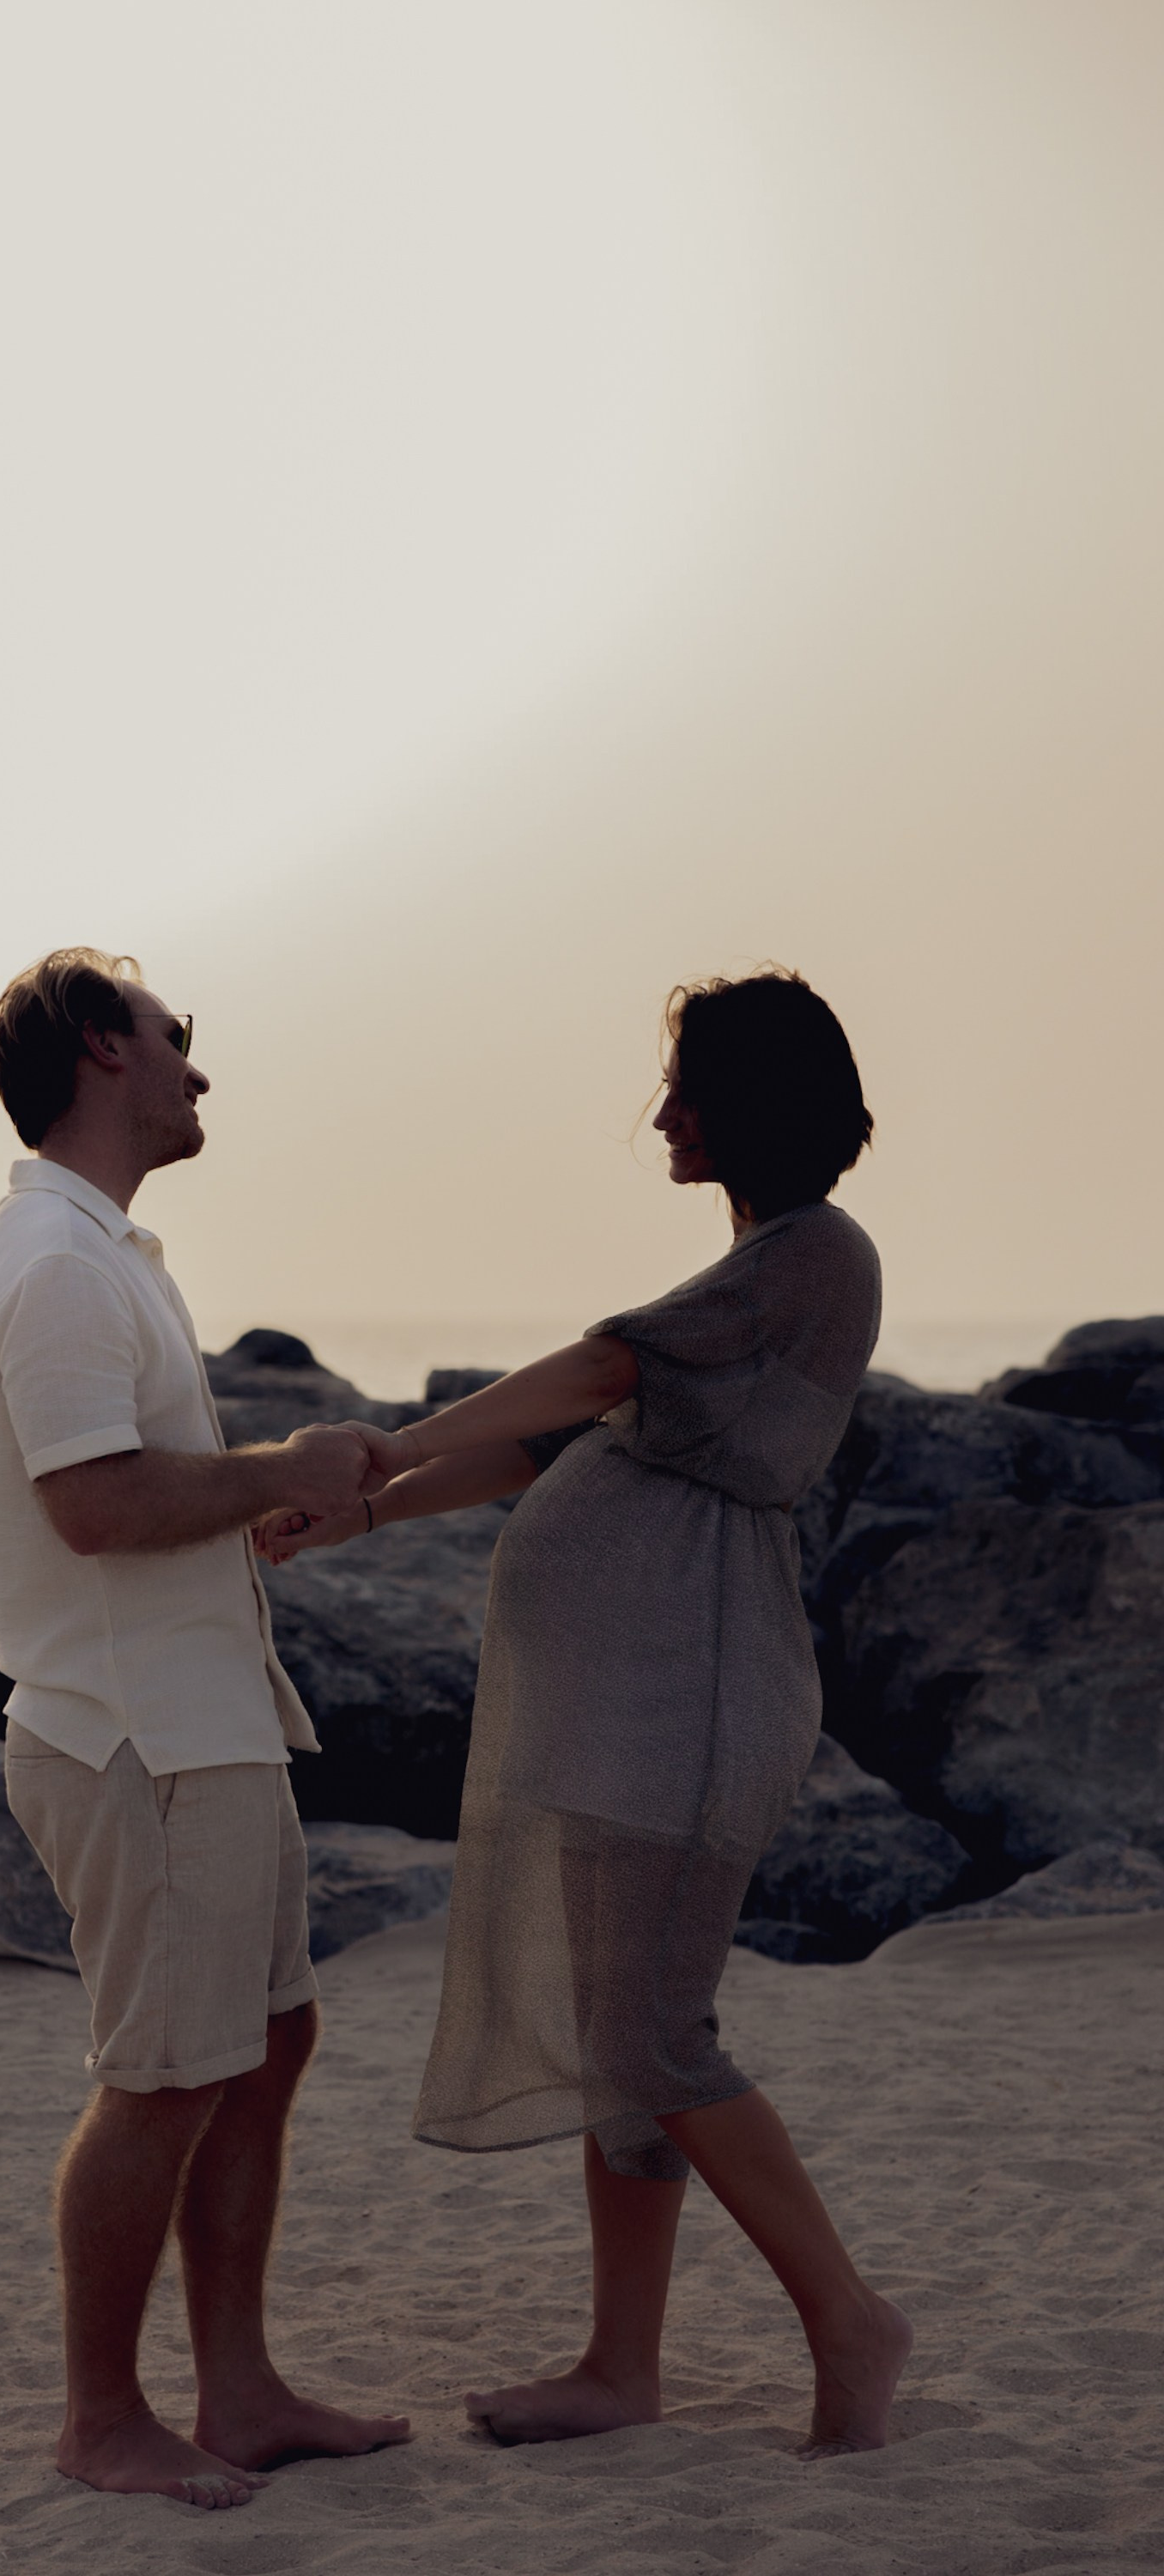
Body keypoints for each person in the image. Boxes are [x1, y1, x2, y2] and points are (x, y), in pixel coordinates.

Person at [259, 969, 912, 2459]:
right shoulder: (748, 1273)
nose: (663, 1115)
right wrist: (366, 1513)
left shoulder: (815, 1255)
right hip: (630, 1703)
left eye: (687, 1088)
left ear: (749, 1104)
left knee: (655, 2034)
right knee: (632, 2039)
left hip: (693, 1695)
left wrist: (381, 1448)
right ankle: (622, 2369)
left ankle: (849, 2316)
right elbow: (568, 1437)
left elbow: (598, 1368)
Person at [0, 947, 410, 2511]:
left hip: (205, 1724)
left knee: (265, 2046)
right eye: (174, 1038)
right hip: (134, 1738)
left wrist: (248, 1508)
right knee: (161, 2075)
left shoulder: (105, 1250)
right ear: (102, 1049)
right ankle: (101, 2419)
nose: (198, 1069)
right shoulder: (57, 1261)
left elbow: (148, 1493)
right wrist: (283, 1464)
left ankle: (241, 2390)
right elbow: (92, 1506)